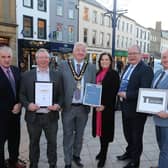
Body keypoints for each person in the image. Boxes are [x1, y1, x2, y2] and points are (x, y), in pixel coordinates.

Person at [19, 48, 63, 168]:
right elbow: (21, 94)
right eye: (40, 57)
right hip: (33, 118)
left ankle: (52, 164)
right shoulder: (27, 75)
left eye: (46, 58)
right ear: (36, 59)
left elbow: (61, 95)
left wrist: (58, 105)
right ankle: (34, 165)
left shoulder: (57, 75)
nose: (43, 60)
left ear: (49, 59)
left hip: (51, 116)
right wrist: (28, 105)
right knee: (33, 143)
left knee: (52, 143)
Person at [59, 42, 96, 168]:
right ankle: (68, 161)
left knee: (79, 135)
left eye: (83, 50)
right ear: (73, 51)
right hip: (68, 108)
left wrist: (95, 100)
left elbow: (94, 87)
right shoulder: (63, 65)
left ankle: (76, 156)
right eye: (78, 50)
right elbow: (59, 86)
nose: (80, 52)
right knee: (68, 135)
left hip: (83, 108)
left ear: (85, 53)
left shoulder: (91, 67)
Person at [117, 45, 154, 168]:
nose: (131, 56)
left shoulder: (146, 69)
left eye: (134, 53)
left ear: (140, 54)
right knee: (127, 133)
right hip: (125, 107)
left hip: (137, 110)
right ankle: (129, 153)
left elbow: (145, 90)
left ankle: (135, 161)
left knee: (136, 136)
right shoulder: (128, 66)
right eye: (130, 54)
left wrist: (127, 95)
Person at [92, 53, 120, 168]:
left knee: (105, 134)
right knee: (99, 131)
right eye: (102, 59)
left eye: (106, 59)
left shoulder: (114, 74)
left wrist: (105, 105)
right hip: (97, 108)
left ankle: (103, 156)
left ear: (110, 61)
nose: (104, 61)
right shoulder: (97, 73)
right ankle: (101, 151)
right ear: (99, 61)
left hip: (106, 109)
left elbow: (114, 93)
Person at [0, 46, 26, 168]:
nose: (6, 60)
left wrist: (20, 104)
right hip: (1, 117)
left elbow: (21, 91)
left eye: (9, 57)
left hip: (15, 115)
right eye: (3, 57)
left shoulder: (16, 70)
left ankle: (13, 161)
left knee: (14, 140)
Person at [150, 49, 168, 168]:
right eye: (163, 57)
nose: (165, 60)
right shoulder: (158, 73)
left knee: (165, 151)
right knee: (161, 146)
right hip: (157, 118)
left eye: (167, 57)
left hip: (167, 119)